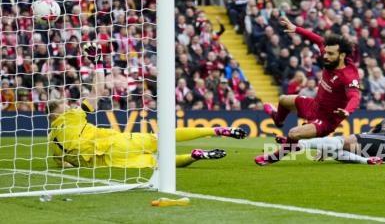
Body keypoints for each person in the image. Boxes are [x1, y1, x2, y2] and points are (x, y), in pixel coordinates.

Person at [48, 43, 247, 169]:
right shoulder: (71, 116)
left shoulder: (52, 142)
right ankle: (217, 130)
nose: (68, 106)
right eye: (63, 105)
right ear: (55, 115)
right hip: (112, 143)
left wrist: (77, 160)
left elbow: (64, 164)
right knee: (161, 138)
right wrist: (98, 62)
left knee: (157, 163)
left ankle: (195, 156)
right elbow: (98, 91)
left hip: (104, 163)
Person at [255, 16, 360, 165]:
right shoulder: (331, 55)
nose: (325, 55)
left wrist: (348, 111)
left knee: (293, 133)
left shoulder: (348, 76)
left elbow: (354, 96)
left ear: (342, 55)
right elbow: (318, 39)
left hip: (325, 120)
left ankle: (273, 158)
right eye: (325, 52)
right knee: (284, 99)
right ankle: (278, 120)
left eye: (330, 54)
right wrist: (296, 29)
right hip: (314, 105)